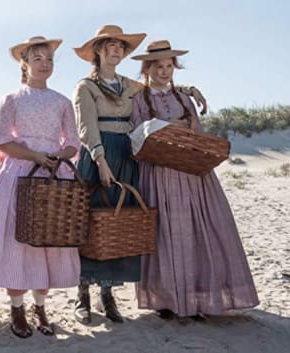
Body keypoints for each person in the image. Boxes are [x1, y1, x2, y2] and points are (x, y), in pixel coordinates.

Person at [72, 25, 207, 324]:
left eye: (121, 46)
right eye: (110, 45)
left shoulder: (128, 85)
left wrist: (189, 89)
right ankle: (81, 295)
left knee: (118, 222)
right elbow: (86, 128)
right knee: (91, 221)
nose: (117, 50)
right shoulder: (85, 87)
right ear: (98, 51)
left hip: (127, 154)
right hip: (99, 153)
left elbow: (159, 87)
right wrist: (100, 160)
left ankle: (107, 295)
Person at [130, 40, 259, 320]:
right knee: (166, 234)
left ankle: (198, 298)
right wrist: (168, 128)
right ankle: (167, 300)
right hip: (159, 173)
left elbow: (196, 132)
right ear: (147, 68)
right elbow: (137, 134)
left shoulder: (184, 98)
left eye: (169, 66)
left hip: (191, 173)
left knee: (199, 231)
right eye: (159, 66)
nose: (165, 72)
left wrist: (181, 129)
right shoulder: (140, 99)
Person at [0, 36, 81, 338]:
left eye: (48, 58)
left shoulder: (62, 101)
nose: (44, 63)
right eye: (37, 58)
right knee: (17, 242)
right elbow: (1, 140)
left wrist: (57, 156)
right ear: (25, 64)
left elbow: (73, 143)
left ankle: (40, 306)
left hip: (53, 175)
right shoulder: (11, 99)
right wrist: (35, 155)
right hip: (20, 172)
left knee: (49, 239)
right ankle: (16, 307)